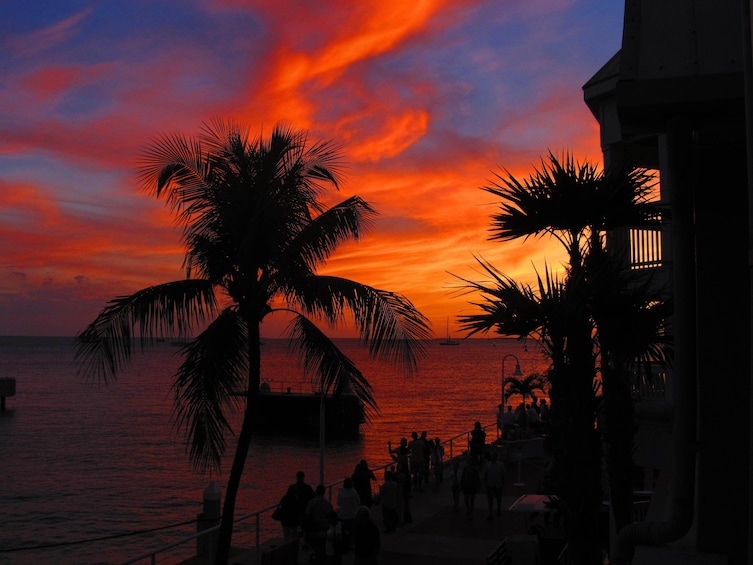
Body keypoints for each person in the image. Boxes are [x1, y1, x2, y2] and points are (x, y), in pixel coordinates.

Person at [304, 484, 333, 564]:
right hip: (325, 530)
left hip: (315, 531)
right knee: (324, 550)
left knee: (317, 550)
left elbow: (307, 515)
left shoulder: (311, 503)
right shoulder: (328, 503)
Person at [336, 477, 360, 551]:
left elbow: (338, 503)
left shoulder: (341, 492)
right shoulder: (354, 492)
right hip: (352, 515)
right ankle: (351, 544)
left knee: (343, 530)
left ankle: (344, 544)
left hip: (343, 515)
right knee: (352, 530)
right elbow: (358, 502)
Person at [484, 450, 506, 520]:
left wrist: (502, 484)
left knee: (498, 498)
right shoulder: (488, 465)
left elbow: (503, 475)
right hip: (490, 485)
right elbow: (486, 475)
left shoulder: (501, 465)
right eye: (492, 456)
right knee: (490, 499)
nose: (493, 458)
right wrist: (486, 484)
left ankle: (499, 508)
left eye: (494, 456)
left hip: (498, 484)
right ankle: (490, 513)